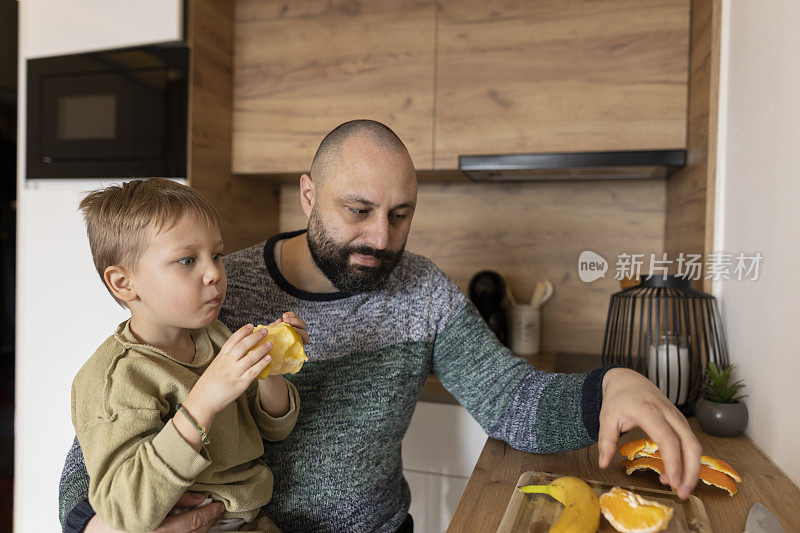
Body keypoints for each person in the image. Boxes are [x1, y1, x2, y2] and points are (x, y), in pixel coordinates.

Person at [59, 120, 701, 533]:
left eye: (400, 214)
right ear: (309, 195)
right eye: (358, 210)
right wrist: (92, 526)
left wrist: (607, 388)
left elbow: (512, 401)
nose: (380, 239)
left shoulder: (423, 293)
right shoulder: (219, 289)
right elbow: (112, 432)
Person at [67, 178, 307, 532]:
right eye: (186, 260)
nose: (214, 274)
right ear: (123, 283)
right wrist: (204, 400)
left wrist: (270, 368)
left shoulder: (216, 336)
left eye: (217, 255)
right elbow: (122, 510)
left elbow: (274, 430)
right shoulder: (116, 379)